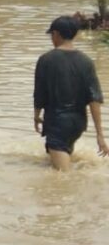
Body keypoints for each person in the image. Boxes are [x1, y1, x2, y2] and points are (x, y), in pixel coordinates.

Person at [33, 15, 109, 170]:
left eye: (52, 35)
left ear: (56, 34)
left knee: (63, 176)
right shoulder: (86, 61)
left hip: (57, 122)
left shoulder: (46, 59)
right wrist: (100, 134)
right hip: (78, 123)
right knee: (59, 159)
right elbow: (94, 98)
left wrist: (36, 115)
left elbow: (39, 93)